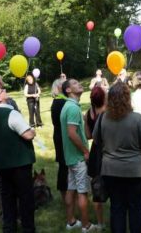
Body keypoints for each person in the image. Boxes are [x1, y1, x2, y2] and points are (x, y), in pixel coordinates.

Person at [93, 82, 141, 233]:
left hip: (111, 170)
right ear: (127, 98)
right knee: (136, 209)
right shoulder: (137, 118)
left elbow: (96, 140)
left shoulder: (103, 118)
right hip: (136, 171)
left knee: (117, 208)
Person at [0, 85, 37, 232]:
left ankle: (9, 226)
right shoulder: (11, 113)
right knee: (25, 196)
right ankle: (28, 227)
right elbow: (27, 134)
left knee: (7, 196)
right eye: (2, 91)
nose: (5, 91)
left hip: (2, 162)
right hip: (19, 161)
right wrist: (32, 131)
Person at [60, 79, 97, 232]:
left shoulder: (68, 106)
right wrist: (85, 151)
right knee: (82, 192)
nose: (79, 84)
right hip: (78, 158)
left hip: (70, 157)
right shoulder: (73, 108)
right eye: (74, 83)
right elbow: (72, 134)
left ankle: (71, 222)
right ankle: (86, 225)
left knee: (71, 188)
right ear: (68, 90)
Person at [84, 87, 107, 228]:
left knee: (97, 189)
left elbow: (88, 136)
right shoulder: (109, 113)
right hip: (108, 150)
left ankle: (100, 223)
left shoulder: (88, 114)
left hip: (95, 153)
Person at [50, 78, 69, 200]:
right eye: (64, 85)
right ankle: (65, 194)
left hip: (60, 136)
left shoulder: (60, 102)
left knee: (64, 166)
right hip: (63, 137)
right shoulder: (60, 103)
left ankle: (66, 194)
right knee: (64, 166)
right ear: (58, 88)